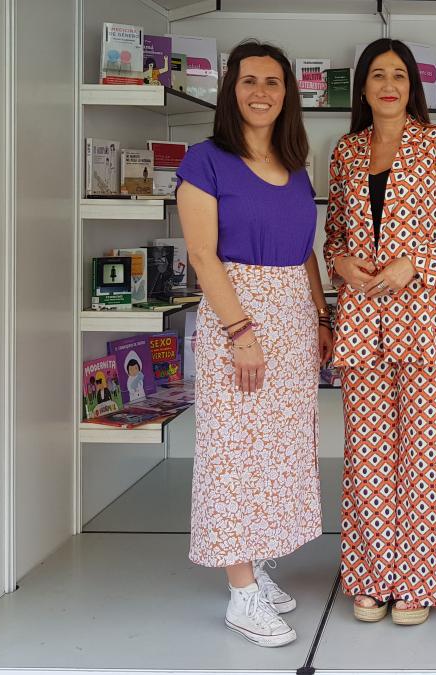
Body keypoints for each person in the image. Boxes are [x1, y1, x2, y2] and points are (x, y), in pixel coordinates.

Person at [175, 40, 332, 648]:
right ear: (230, 91)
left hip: (292, 322)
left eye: (272, 81)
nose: (261, 92)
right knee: (234, 453)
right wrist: (241, 331)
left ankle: (257, 562)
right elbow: (201, 254)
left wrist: (321, 317)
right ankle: (240, 593)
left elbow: (305, 252)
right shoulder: (205, 161)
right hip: (236, 321)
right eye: (249, 82)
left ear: (287, 92)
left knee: (279, 453)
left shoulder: (295, 166)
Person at [324, 38, 436, 627]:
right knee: (366, 455)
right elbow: (334, 236)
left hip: (427, 319)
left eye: (398, 74)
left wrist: (410, 264)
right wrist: (341, 264)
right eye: (376, 74)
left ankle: (419, 580)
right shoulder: (346, 152)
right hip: (364, 320)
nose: (388, 84)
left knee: (427, 453)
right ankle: (370, 575)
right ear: (363, 87)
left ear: (411, 86)